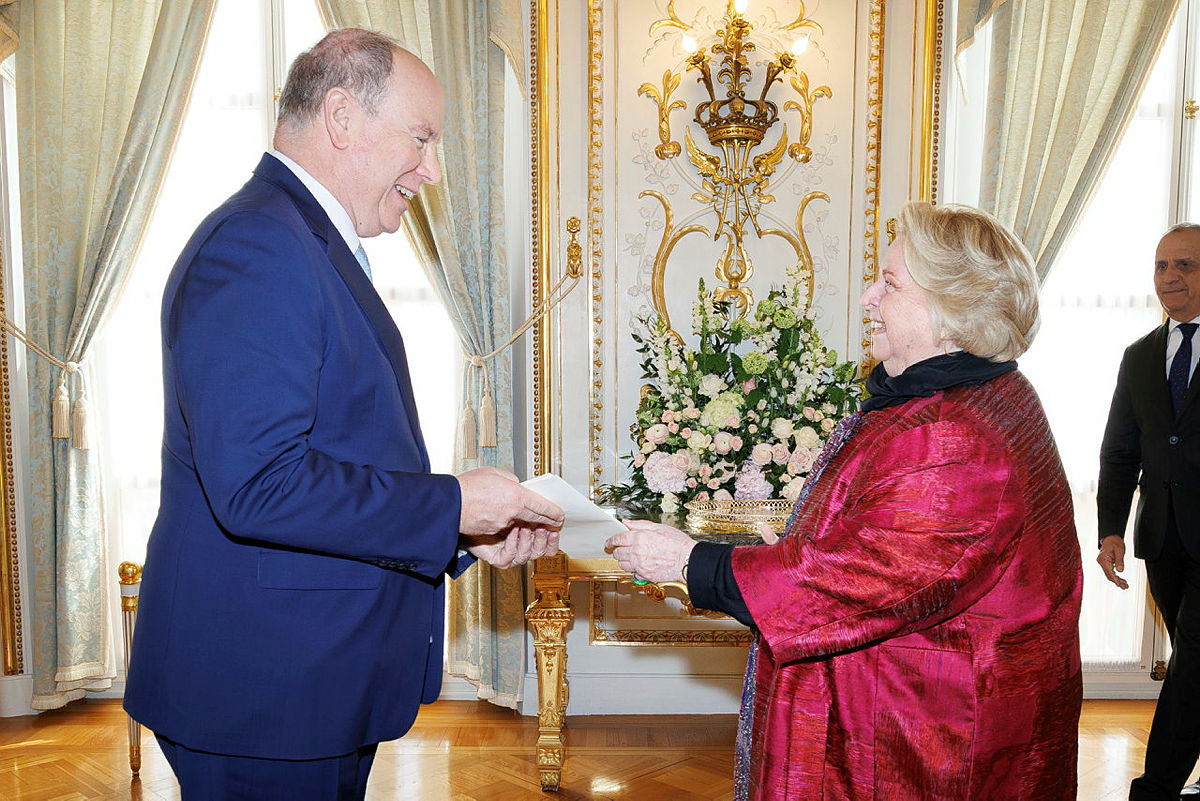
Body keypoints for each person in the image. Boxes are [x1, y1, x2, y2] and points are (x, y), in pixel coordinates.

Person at [123, 29, 563, 800]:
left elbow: (339, 454)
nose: (432, 169)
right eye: (422, 138)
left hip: (298, 685)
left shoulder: (299, 238)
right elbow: (260, 482)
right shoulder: (259, 245)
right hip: (261, 695)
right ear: (341, 117)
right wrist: (453, 501)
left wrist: (459, 530)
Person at [606, 201, 1083, 800]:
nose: (867, 297)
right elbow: (893, 548)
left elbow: (846, 584)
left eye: (890, 283)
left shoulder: (957, 436)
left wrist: (685, 563)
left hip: (922, 743)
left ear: (952, 312)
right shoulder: (969, 396)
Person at [1097, 223, 1200, 800]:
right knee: (1194, 659)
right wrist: (1111, 527)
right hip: (1161, 539)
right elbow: (1120, 450)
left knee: (1194, 659)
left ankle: (1155, 789)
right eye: (1162, 266)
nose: (1170, 277)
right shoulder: (1138, 357)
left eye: (1185, 265)